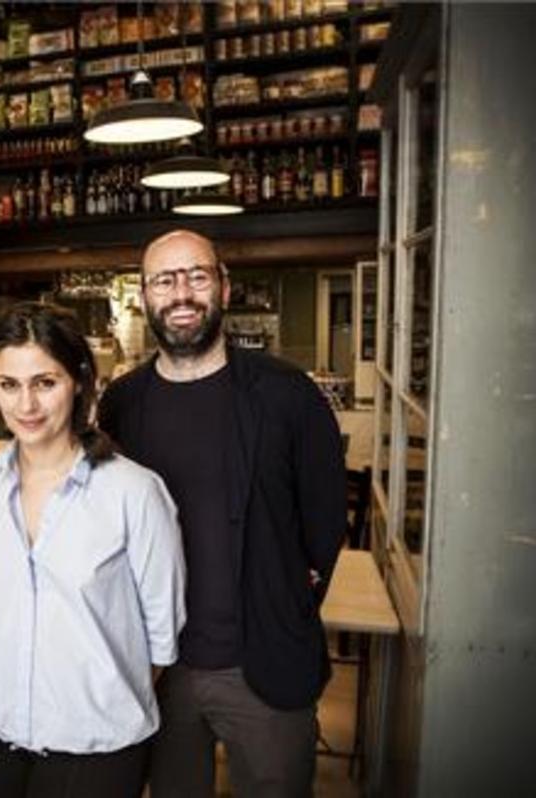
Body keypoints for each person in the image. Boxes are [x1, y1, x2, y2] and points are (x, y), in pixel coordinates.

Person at [98, 230, 346, 798]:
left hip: (263, 669)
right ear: (145, 295)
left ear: (224, 287)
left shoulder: (287, 396)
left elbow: (325, 521)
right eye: (165, 279)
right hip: (158, 670)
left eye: (197, 275)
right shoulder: (122, 404)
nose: (181, 292)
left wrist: (286, 601)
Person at [0, 301, 187, 798]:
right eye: (9, 385)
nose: (26, 406)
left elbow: (161, 636)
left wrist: (92, 695)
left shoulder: (134, 492)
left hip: (96, 748)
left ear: (80, 380)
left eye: (45, 382)